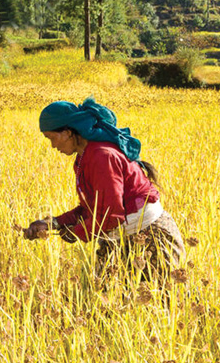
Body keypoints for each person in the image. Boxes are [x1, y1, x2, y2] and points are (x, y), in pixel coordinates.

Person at [23, 98, 185, 280]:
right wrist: (52, 223)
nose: (53, 146)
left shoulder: (102, 156)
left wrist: (76, 233)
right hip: (119, 236)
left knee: (159, 300)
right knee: (107, 300)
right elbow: (92, 209)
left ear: (68, 132)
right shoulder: (85, 157)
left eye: (52, 138)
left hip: (149, 238)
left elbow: (111, 214)